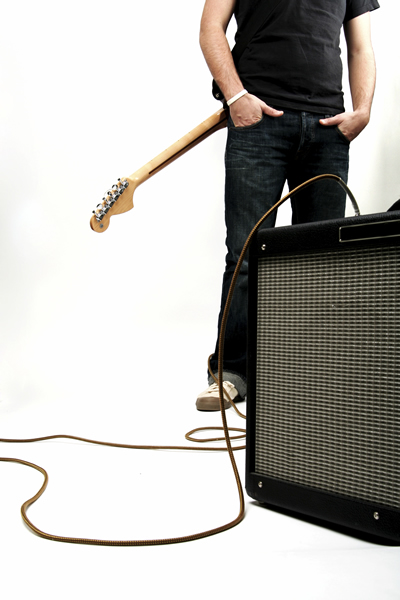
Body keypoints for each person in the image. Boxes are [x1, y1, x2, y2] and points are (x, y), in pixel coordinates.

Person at [196, 0, 380, 411]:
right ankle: (231, 374)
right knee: (245, 254)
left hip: (327, 129)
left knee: (321, 261)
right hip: (259, 122)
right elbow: (211, 27)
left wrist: (363, 110)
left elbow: (360, 47)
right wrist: (237, 96)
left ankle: (311, 374)